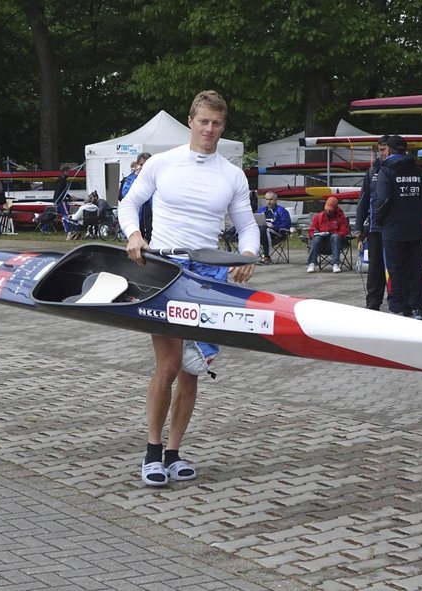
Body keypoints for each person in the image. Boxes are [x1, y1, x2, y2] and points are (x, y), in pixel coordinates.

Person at [119, 90, 259, 488]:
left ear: (223, 126)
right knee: (168, 365)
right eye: (203, 122)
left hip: (208, 275)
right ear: (191, 121)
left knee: (192, 370)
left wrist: (248, 252)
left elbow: (247, 225)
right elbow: (128, 205)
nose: (209, 129)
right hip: (165, 269)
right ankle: (151, 451)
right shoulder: (163, 163)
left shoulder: (231, 174)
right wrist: (134, 236)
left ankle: (174, 453)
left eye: (216, 123)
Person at [372, 134, 422, 320]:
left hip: (392, 230)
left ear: (390, 150)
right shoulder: (417, 171)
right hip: (415, 229)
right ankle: (417, 308)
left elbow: (382, 200)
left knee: (396, 270)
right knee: (416, 270)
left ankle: (398, 307)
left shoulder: (386, 171)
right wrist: (418, 214)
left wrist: (378, 219)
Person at [354, 137, 390, 310]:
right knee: (375, 267)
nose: (382, 153)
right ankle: (373, 302)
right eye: (380, 149)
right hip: (376, 228)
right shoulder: (371, 171)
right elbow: (363, 200)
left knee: (396, 266)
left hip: (395, 228)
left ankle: (398, 301)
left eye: (384, 149)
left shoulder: (400, 169)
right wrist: (358, 227)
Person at [306, 196, 350, 273]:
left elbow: (344, 231)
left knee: (335, 237)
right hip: (321, 244)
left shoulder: (341, 217)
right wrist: (316, 234)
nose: (328, 211)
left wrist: (334, 234)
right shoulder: (318, 217)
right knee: (316, 238)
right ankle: (312, 263)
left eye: (331, 210)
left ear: (336, 209)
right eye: (327, 209)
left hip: (335, 243)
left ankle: (336, 264)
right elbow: (311, 231)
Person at [257, 191, 291, 264]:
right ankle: (251, 256)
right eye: (267, 199)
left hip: (277, 233)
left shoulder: (282, 211)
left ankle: (267, 257)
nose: (268, 202)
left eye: (271, 199)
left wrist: (274, 226)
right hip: (260, 233)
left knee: (265, 229)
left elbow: (286, 224)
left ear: (276, 200)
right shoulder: (261, 210)